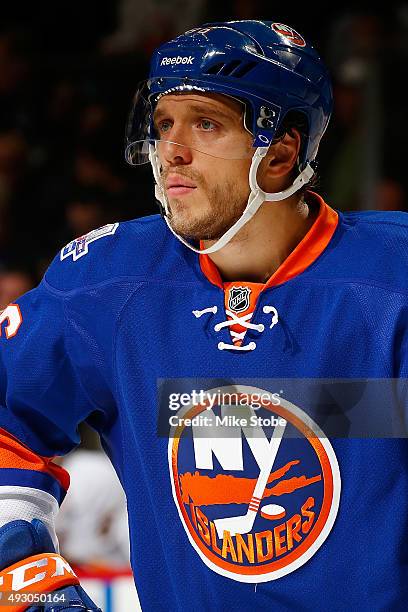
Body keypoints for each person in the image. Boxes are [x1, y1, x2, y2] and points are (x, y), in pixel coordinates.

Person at [0, 19, 408, 612]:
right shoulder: (110, 284)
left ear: (282, 152)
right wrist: (22, 573)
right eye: (164, 125)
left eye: (206, 124)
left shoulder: (390, 280)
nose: (173, 152)